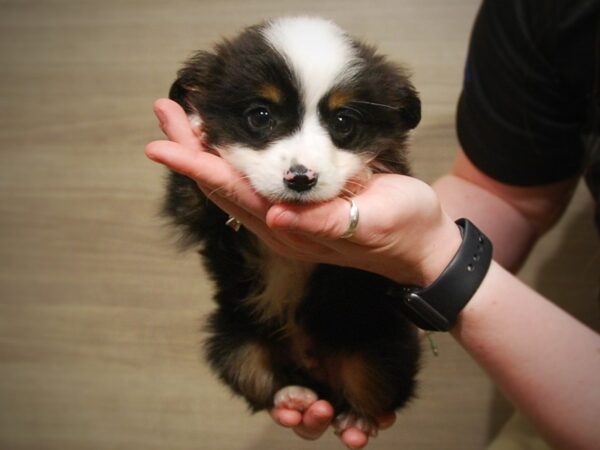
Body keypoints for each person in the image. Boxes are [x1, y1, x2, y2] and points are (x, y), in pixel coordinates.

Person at [145, 1, 600, 448]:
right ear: (202, 103)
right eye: (261, 117)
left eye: (342, 123)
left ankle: (348, 402)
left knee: (373, 383)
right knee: (240, 360)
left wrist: (427, 251)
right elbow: (506, 196)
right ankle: (288, 386)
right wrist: (200, 178)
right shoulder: (536, 12)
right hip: (257, 334)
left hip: (358, 333)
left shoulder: (377, 173)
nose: (303, 166)